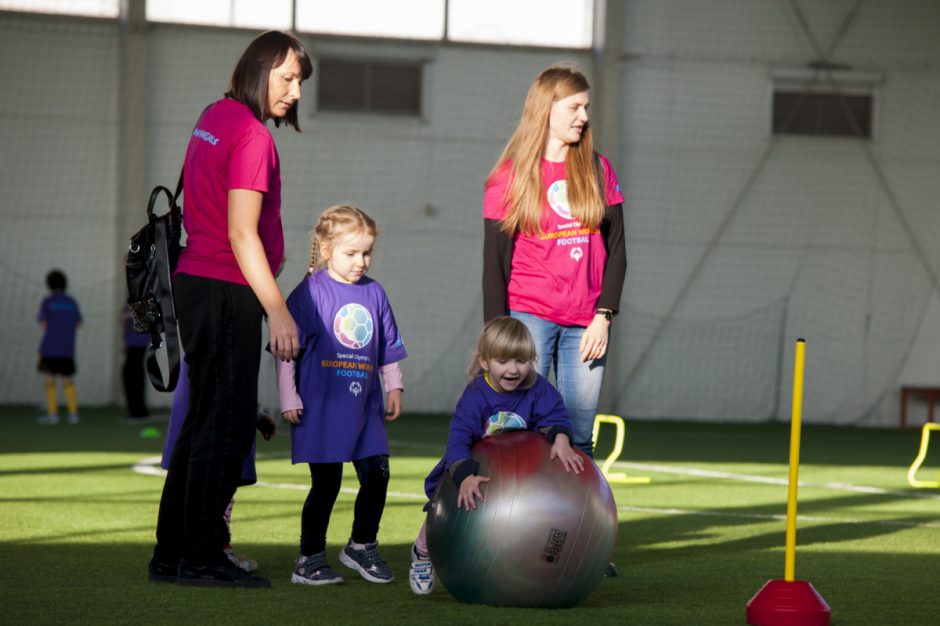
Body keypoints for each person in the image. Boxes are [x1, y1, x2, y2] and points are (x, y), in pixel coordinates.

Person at [148, 30, 312, 589]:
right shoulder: (251, 136)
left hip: (198, 283)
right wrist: (279, 312)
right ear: (260, 68)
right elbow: (244, 237)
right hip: (224, 290)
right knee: (223, 425)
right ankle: (201, 557)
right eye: (287, 77)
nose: (294, 91)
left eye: (299, 82)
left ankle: (171, 554)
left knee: (202, 424)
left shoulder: (213, 114)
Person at [481, 65, 626, 459]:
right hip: (529, 318)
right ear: (547, 109)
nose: (584, 117)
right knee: (517, 427)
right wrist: (497, 338)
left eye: (587, 107)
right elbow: (494, 264)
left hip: (587, 323)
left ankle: (576, 522)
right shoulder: (508, 177)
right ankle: (510, 521)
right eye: (575, 107)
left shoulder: (599, 169)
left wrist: (604, 315)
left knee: (578, 437)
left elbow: (618, 250)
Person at [276, 204, 407, 587]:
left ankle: (361, 545)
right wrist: (288, 396)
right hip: (320, 408)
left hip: (364, 408)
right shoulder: (309, 293)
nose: (361, 261)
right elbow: (287, 351)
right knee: (327, 484)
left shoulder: (375, 292)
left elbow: (388, 346)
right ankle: (309, 558)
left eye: (367, 252)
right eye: (352, 253)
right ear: (326, 247)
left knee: (378, 474)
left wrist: (393, 385)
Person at [408, 316, 584, 596]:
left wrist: (561, 438)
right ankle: (422, 550)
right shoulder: (476, 395)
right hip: (473, 466)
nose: (514, 369)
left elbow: (555, 414)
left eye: (521, 361)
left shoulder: (536, 387)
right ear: (485, 362)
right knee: (444, 508)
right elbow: (458, 439)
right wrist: (464, 475)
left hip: (519, 474)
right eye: (504, 361)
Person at [36, 269, 82, 425]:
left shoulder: (48, 302)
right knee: (67, 379)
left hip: (50, 347)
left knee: (50, 378)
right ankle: (73, 414)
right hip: (67, 348)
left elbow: (43, 324)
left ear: (49, 284)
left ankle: (53, 414)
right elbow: (79, 323)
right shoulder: (71, 302)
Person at [120, 305, 150, 421]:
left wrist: (130, 314)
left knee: (134, 375)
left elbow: (149, 320)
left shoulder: (145, 300)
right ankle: (135, 410)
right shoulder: (129, 303)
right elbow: (123, 322)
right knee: (130, 375)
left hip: (139, 344)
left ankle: (138, 412)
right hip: (132, 345)